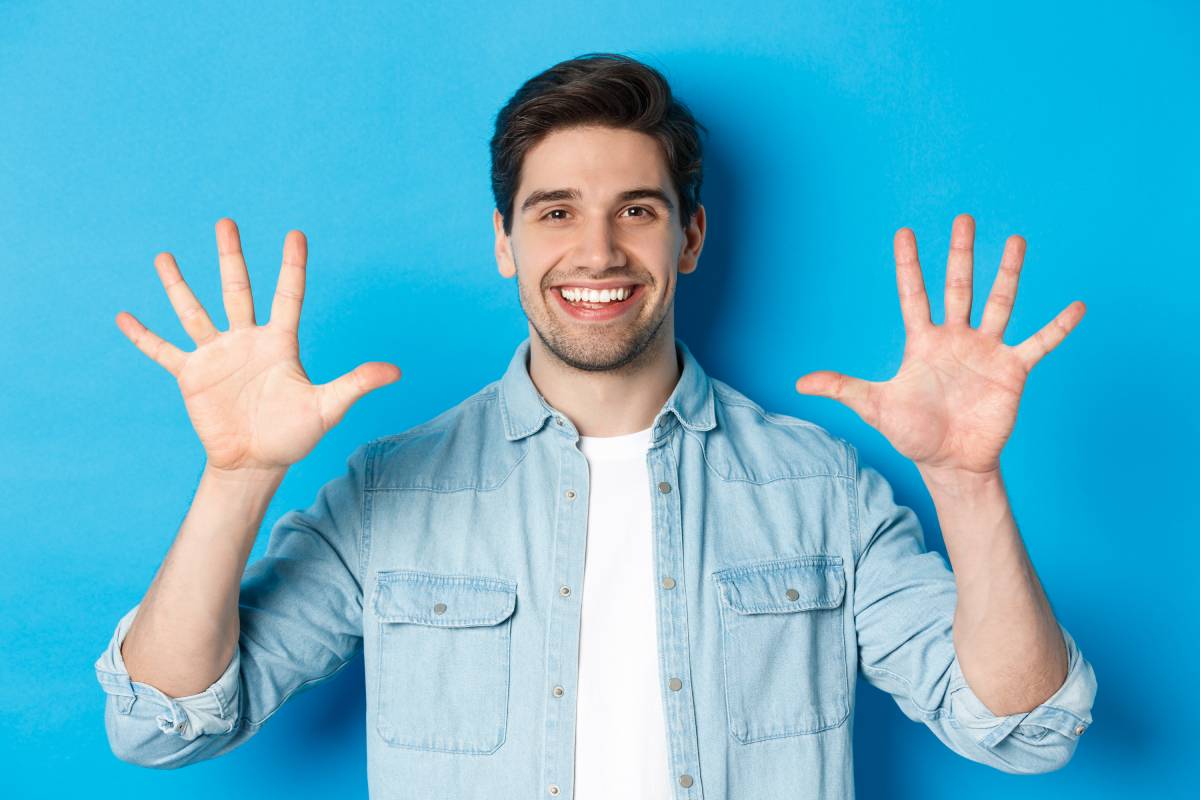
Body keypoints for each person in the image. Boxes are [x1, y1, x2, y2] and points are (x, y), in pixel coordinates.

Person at [95, 52, 1097, 799]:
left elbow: (1022, 725)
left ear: (691, 235)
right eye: (557, 212)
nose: (599, 250)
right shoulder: (388, 492)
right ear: (505, 240)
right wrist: (234, 476)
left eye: (639, 211)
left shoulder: (822, 486)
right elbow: (166, 721)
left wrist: (968, 481)